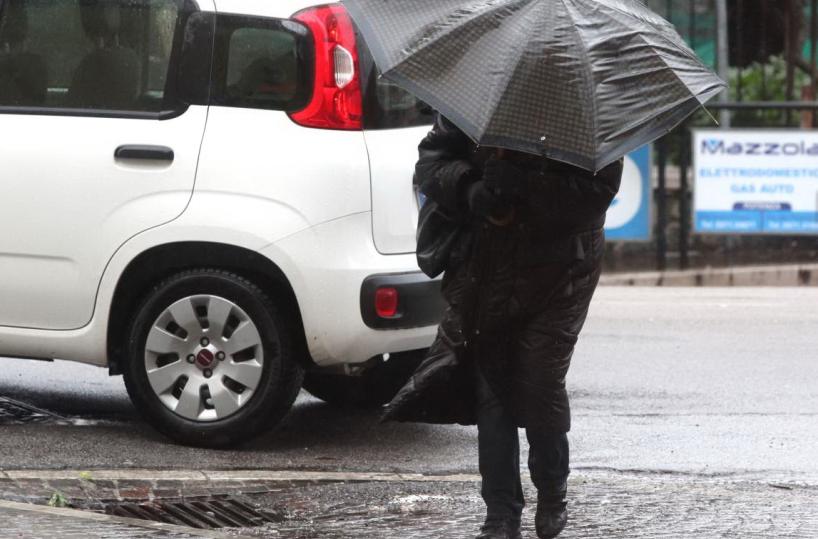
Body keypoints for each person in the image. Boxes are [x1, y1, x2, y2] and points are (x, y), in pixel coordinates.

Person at [413, 114, 623, 539]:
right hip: (487, 265)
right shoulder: (483, 98)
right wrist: (471, 189)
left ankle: (552, 490)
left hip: (562, 270)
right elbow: (430, 164)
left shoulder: (591, 114)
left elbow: (596, 195)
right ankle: (501, 514)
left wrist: (522, 183)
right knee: (492, 387)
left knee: (539, 381)